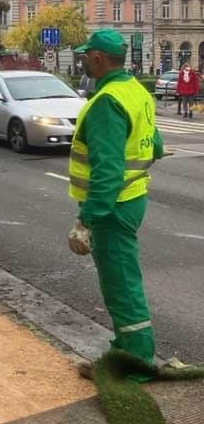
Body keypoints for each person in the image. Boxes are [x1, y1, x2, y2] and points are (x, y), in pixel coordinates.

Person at [68, 29, 165, 381]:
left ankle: (135, 365)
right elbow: (155, 146)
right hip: (131, 199)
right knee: (120, 282)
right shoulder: (137, 91)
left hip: (112, 208)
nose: (82, 61)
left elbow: (107, 171)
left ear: (97, 58)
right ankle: (124, 352)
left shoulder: (107, 101)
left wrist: (87, 219)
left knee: (121, 285)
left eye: (85, 56)